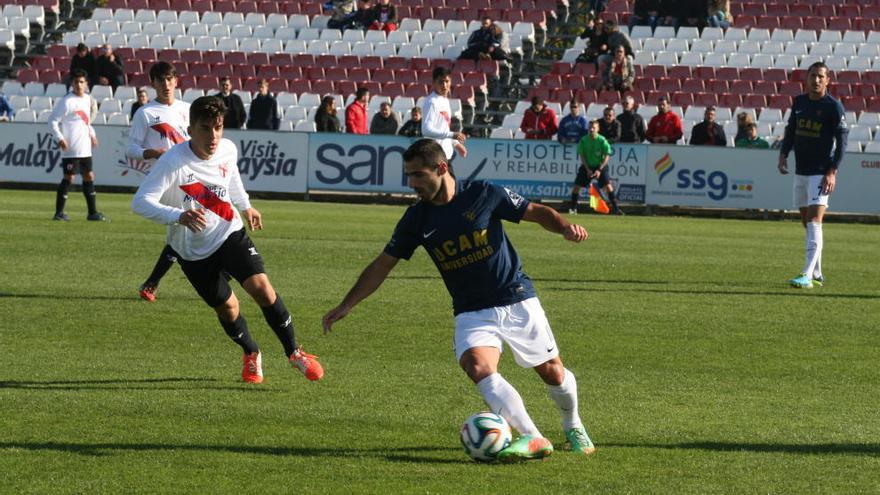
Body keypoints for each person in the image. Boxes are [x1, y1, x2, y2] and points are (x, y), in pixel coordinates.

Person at [322, 138, 597, 461]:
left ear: (441, 168)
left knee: (552, 372)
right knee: (477, 366)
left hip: (515, 298)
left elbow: (536, 212)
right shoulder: (416, 219)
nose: (412, 184)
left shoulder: (484, 194)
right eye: (409, 176)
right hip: (471, 310)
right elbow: (383, 264)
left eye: (418, 175)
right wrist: (348, 303)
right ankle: (532, 436)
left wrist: (564, 228)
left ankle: (572, 423)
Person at [132, 95, 324, 384]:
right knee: (228, 308)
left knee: (262, 289)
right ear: (191, 128)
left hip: (228, 232)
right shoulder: (173, 161)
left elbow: (231, 176)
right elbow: (141, 202)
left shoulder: (227, 149)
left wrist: (245, 205)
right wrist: (178, 216)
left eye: (219, 127)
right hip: (193, 251)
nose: (213, 136)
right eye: (206, 128)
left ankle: (294, 352)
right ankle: (251, 352)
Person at [127, 61, 192, 302]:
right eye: (160, 80)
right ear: (153, 83)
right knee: (187, 227)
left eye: (169, 79)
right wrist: (152, 153)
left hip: (194, 176)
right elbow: (131, 148)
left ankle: (151, 283)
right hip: (168, 178)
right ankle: (223, 272)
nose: (166, 84)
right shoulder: (145, 113)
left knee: (199, 225)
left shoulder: (188, 108)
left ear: (176, 81)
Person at [779, 65, 848, 288]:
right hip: (801, 170)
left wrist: (832, 171)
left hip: (820, 172)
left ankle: (806, 275)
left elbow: (842, 142)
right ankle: (817, 273)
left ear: (828, 80)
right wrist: (783, 154)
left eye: (821, 77)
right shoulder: (799, 102)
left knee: (814, 221)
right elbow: (791, 130)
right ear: (806, 79)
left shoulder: (833, 107)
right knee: (806, 223)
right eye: (813, 76)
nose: (816, 80)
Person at [49, 69, 104, 222]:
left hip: (85, 147)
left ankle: (92, 213)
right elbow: (52, 120)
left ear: (86, 84)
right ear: (72, 84)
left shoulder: (87, 99)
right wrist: (60, 137)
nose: (79, 85)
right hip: (71, 148)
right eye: (76, 82)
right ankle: (59, 213)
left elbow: (86, 121)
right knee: (69, 177)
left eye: (81, 82)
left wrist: (92, 134)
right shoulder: (67, 101)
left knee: (89, 176)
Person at [570, 120, 622, 215]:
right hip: (587, 166)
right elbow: (582, 156)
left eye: (594, 128)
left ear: (598, 129)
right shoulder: (583, 140)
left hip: (600, 166)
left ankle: (616, 209)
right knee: (576, 187)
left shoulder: (602, 140)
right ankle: (573, 209)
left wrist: (599, 169)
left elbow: (607, 155)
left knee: (608, 186)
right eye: (590, 127)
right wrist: (587, 169)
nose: (591, 129)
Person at [422, 66, 467, 160]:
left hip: (444, 156)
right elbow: (426, 130)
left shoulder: (445, 101)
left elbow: (444, 128)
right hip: (433, 157)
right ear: (433, 83)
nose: (444, 85)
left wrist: (456, 144)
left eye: (447, 81)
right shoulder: (431, 102)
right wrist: (453, 135)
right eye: (440, 82)